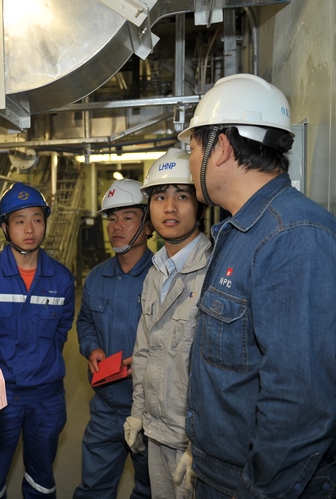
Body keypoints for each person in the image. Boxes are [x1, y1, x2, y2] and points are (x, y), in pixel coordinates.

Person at [177, 73, 336, 498]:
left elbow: (300, 403)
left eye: (192, 148)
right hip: (222, 473)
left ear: (221, 147)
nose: (190, 161)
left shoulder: (294, 237)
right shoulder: (241, 231)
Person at [0, 182, 75, 499]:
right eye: (20, 220)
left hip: (46, 394)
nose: (30, 229)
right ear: (5, 227)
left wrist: (42, 361)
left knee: (42, 474)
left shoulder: (61, 279)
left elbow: (62, 330)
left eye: (37, 219)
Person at [124, 148, 211, 499]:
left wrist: (200, 443)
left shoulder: (213, 272)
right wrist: (137, 414)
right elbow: (144, 352)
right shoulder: (155, 274)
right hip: (156, 432)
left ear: (200, 205)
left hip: (196, 445)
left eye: (182, 196)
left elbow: (217, 372)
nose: (170, 207)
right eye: (160, 197)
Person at [73, 179, 153, 499]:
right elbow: (85, 321)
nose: (116, 226)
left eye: (128, 217)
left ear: (148, 226)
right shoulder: (97, 277)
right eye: (111, 218)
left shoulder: (163, 277)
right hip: (106, 407)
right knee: (94, 489)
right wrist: (92, 347)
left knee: (150, 490)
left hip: (151, 411)